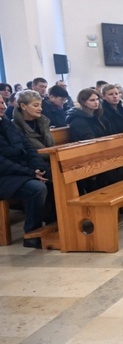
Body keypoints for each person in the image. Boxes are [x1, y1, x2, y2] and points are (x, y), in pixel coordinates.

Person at [0, 99, 50, 248]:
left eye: (2, 103)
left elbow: (28, 147)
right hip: (5, 176)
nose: (2, 106)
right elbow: (2, 163)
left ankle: (52, 225)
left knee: (52, 177)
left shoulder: (6, 122)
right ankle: (31, 233)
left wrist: (39, 168)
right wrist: (30, 172)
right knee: (36, 188)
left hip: (21, 171)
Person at [13, 90, 55, 160]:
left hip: (51, 159)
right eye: (36, 105)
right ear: (23, 106)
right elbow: (23, 152)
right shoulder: (14, 126)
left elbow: (51, 144)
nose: (40, 109)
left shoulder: (43, 122)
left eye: (40, 105)